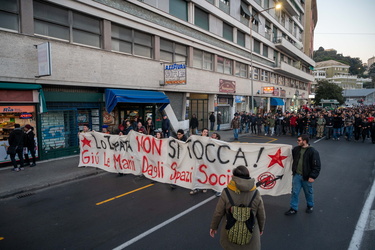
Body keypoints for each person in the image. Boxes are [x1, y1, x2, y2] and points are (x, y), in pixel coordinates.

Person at [210, 166, 266, 249]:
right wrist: (261, 228)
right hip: (251, 232)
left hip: (229, 232)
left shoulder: (226, 192)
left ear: (234, 177)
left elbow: (218, 212)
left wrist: (214, 227)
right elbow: (261, 215)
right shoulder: (256, 193)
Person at [285, 134, 321, 215]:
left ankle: (310, 205)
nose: (297, 142)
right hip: (297, 175)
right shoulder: (296, 149)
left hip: (307, 176)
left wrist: (312, 176)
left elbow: (317, 165)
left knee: (308, 192)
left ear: (304, 141)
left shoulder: (313, 152)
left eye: (299, 140)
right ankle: (293, 208)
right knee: (294, 192)